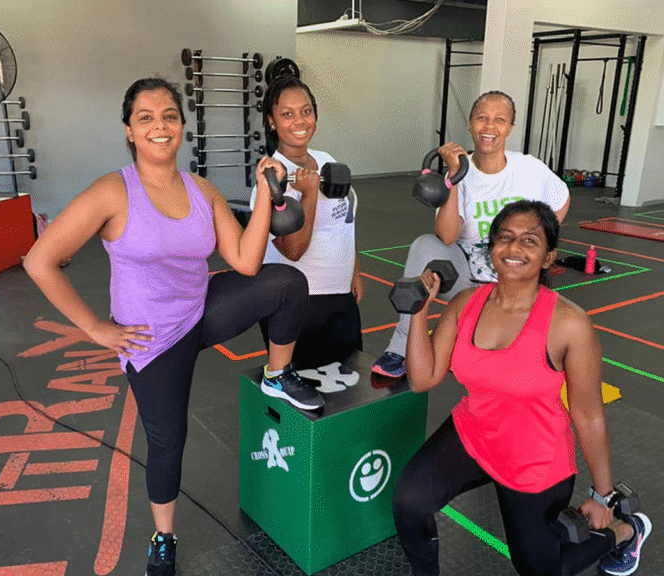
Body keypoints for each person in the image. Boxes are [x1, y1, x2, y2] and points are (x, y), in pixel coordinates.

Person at [23, 77, 325, 576]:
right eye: (146, 118)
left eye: (169, 116)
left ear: (182, 126)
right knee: (168, 442)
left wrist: (263, 193)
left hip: (200, 309)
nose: (159, 126)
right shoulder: (112, 191)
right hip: (152, 340)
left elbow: (247, 262)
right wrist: (97, 329)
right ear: (129, 130)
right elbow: (41, 260)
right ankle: (164, 537)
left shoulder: (201, 189)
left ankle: (277, 374)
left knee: (286, 282)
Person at [392, 200, 650, 576]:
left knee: (539, 568)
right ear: (491, 248)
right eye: (504, 238)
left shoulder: (569, 324)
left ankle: (626, 531)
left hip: (535, 461)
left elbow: (588, 415)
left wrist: (602, 495)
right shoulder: (465, 304)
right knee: (409, 500)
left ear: (549, 257)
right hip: (473, 436)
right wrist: (417, 312)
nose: (513, 249)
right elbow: (422, 379)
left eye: (529, 241)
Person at [372, 90, 571, 378]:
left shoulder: (529, 168)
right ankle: (401, 347)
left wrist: (539, 243)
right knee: (424, 245)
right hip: (467, 280)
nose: (489, 127)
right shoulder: (459, 170)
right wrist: (453, 178)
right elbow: (448, 236)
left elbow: (561, 199)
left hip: (516, 282)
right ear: (470, 123)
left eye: (499, 120)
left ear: (510, 128)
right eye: (482, 118)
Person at [249, 74, 363, 370]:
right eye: (287, 114)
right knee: (303, 396)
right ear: (272, 121)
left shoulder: (326, 159)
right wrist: (309, 196)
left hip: (340, 296)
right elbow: (293, 250)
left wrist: (354, 271)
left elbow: (346, 220)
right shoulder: (271, 181)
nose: (299, 121)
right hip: (298, 303)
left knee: (348, 385)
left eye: (306, 111)